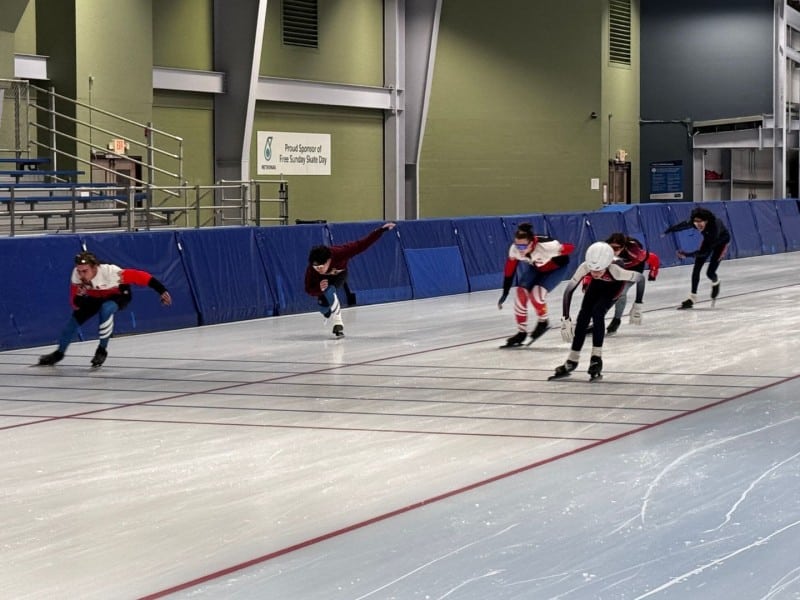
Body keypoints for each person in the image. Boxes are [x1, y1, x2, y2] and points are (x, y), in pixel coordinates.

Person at [38, 251, 172, 368]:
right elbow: (75, 304)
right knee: (71, 325)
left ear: (95, 267)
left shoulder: (111, 272)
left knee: (106, 309)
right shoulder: (76, 276)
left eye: (85, 271)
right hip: (94, 296)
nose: (81, 275)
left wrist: (162, 291)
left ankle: (102, 350)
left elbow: (141, 276)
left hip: (118, 294)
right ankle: (59, 353)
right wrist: (80, 296)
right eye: (79, 270)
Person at [550, 241, 644, 380]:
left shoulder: (617, 271)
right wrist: (565, 318)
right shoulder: (586, 267)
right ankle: (572, 360)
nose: (594, 273)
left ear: (606, 265)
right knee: (582, 318)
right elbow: (569, 290)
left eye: (598, 270)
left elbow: (641, 278)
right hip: (597, 286)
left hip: (614, 287)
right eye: (592, 270)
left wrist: (638, 304)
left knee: (598, 312)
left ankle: (596, 358)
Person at [305, 222, 396, 337]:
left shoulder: (340, 253)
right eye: (316, 267)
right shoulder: (311, 270)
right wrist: (319, 289)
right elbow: (308, 289)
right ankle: (326, 311)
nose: (319, 270)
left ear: (328, 260)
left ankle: (338, 324)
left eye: (321, 267)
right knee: (324, 309)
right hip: (322, 283)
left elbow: (362, 244)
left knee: (329, 290)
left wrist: (381, 230)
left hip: (340, 275)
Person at [498, 222, 574, 347]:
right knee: (520, 294)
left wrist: (560, 250)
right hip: (537, 268)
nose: (519, 250)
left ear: (532, 243)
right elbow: (509, 269)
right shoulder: (515, 249)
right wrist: (505, 291)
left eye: (523, 247)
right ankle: (521, 333)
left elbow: (571, 247)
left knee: (536, 296)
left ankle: (543, 322)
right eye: (517, 246)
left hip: (556, 268)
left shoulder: (547, 246)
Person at [663, 207, 731, 309]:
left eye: (700, 222)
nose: (697, 224)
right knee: (697, 267)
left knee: (710, 273)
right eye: (695, 221)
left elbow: (703, 253)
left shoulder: (714, 228)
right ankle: (692, 297)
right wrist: (669, 230)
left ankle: (716, 282)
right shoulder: (695, 223)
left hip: (720, 242)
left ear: (707, 221)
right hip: (708, 240)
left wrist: (687, 255)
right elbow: (683, 225)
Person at [602, 233, 659, 334]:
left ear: (623, 246)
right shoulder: (605, 248)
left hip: (634, 269)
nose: (613, 252)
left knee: (621, 292)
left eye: (617, 248)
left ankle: (616, 320)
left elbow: (653, 258)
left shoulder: (633, 251)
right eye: (611, 248)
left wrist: (653, 273)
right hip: (619, 269)